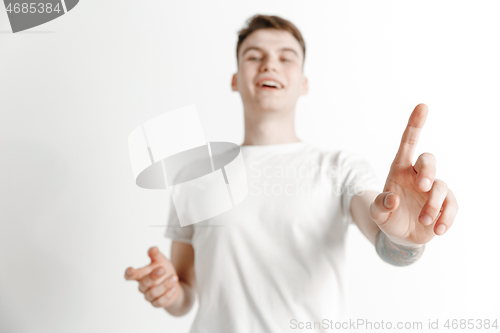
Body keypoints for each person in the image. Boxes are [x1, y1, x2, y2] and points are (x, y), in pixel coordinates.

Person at [124, 14, 458, 332]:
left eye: (287, 58)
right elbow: (184, 294)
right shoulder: (194, 175)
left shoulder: (339, 168)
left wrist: (405, 239)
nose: (270, 64)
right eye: (255, 56)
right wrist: (167, 292)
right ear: (235, 79)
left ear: (304, 83)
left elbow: (387, 240)